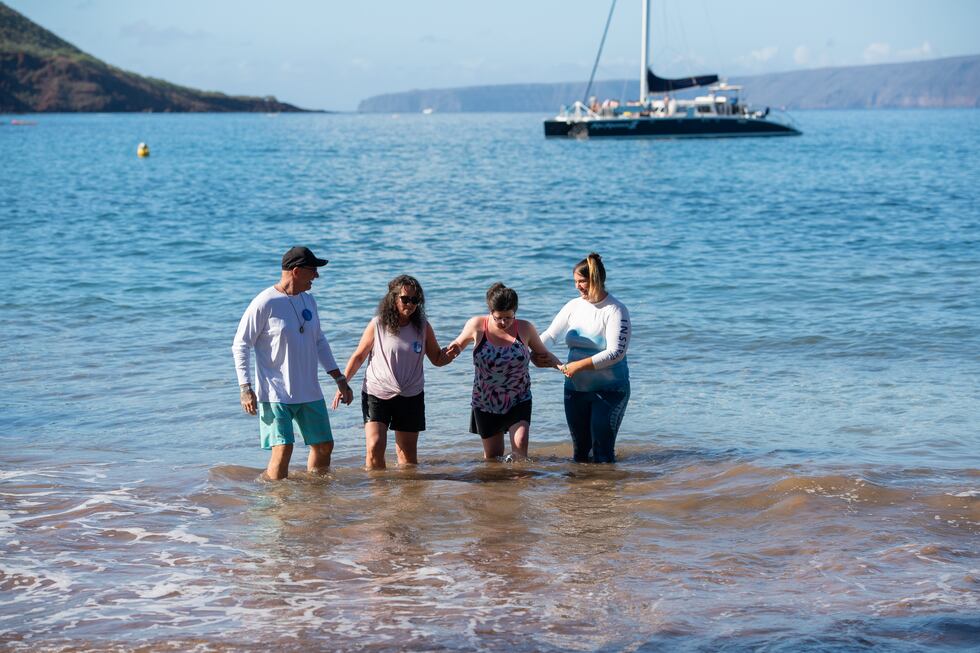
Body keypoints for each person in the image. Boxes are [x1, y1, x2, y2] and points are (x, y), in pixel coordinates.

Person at [232, 246, 354, 481]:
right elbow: (240, 345)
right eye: (313, 271)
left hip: (309, 390)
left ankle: (315, 497)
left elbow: (319, 341)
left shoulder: (309, 301)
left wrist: (339, 379)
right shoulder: (264, 302)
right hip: (275, 393)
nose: (316, 276)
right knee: (283, 448)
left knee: (324, 445)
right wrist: (245, 389)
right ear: (296, 271)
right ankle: (277, 507)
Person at [331, 275, 453, 470]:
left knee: (407, 455)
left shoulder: (422, 327)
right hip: (377, 392)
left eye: (415, 300)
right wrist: (342, 383)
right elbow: (359, 356)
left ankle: (407, 498)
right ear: (393, 299)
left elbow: (437, 359)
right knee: (375, 445)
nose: (411, 304)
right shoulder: (378, 324)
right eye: (405, 299)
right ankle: (379, 496)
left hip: (411, 395)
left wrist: (450, 354)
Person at [445, 283, 559, 461]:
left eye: (509, 317)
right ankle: (497, 489)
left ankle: (521, 483)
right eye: (499, 318)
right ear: (490, 311)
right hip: (485, 400)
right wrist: (455, 349)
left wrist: (562, 367)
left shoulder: (525, 328)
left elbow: (542, 354)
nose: (504, 322)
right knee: (493, 457)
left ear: (515, 312)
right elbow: (458, 344)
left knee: (520, 443)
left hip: (518, 398)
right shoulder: (477, 325)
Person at [537, 253, 631, 463]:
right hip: (575, 390)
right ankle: (580, 494)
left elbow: (616, 353)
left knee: (602, 453)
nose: (577, 287)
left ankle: (605, 492)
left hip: (610, 391)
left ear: (596, 279)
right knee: (580, 453)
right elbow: (551, 336)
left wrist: (578, 365)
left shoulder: (615, 310)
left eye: (582, 281)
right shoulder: (573, 306)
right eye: (575, 282)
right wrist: (532, 353)